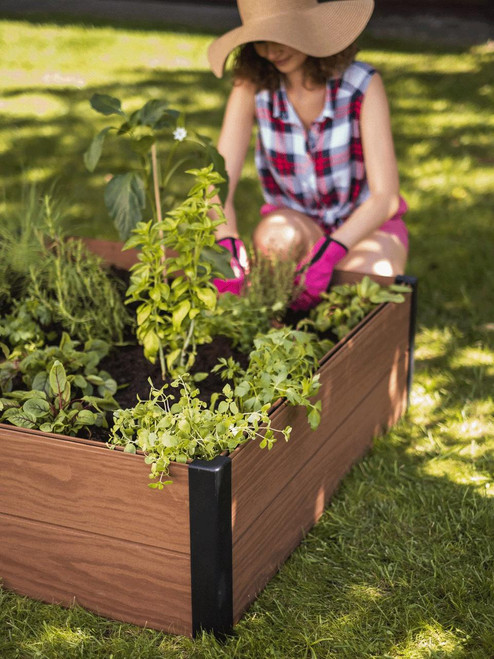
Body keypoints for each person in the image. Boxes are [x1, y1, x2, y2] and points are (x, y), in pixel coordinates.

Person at [209, 0, 408, 310]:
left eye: (281, 37)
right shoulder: (253, 86)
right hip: (296, 221)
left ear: (309, 28)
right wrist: (227, 246)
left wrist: (330, 252)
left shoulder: (361, 85)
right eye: (260, 41)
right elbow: (218, 185)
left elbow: (386, 198)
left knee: (364, 287)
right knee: (275, 240)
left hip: (364, 225)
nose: (272, 52)